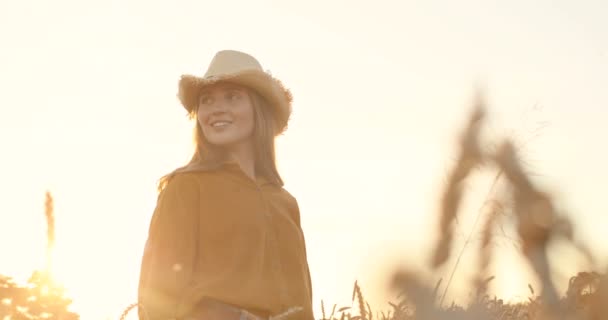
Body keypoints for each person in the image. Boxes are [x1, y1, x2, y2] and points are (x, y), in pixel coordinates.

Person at [137, 50, 314, 320]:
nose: (216, 108)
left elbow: (302, 303)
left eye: (232, 97)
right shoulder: (186, 188)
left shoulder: (285, 203)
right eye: (206, 100)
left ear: (260, 108)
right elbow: (158, 297)